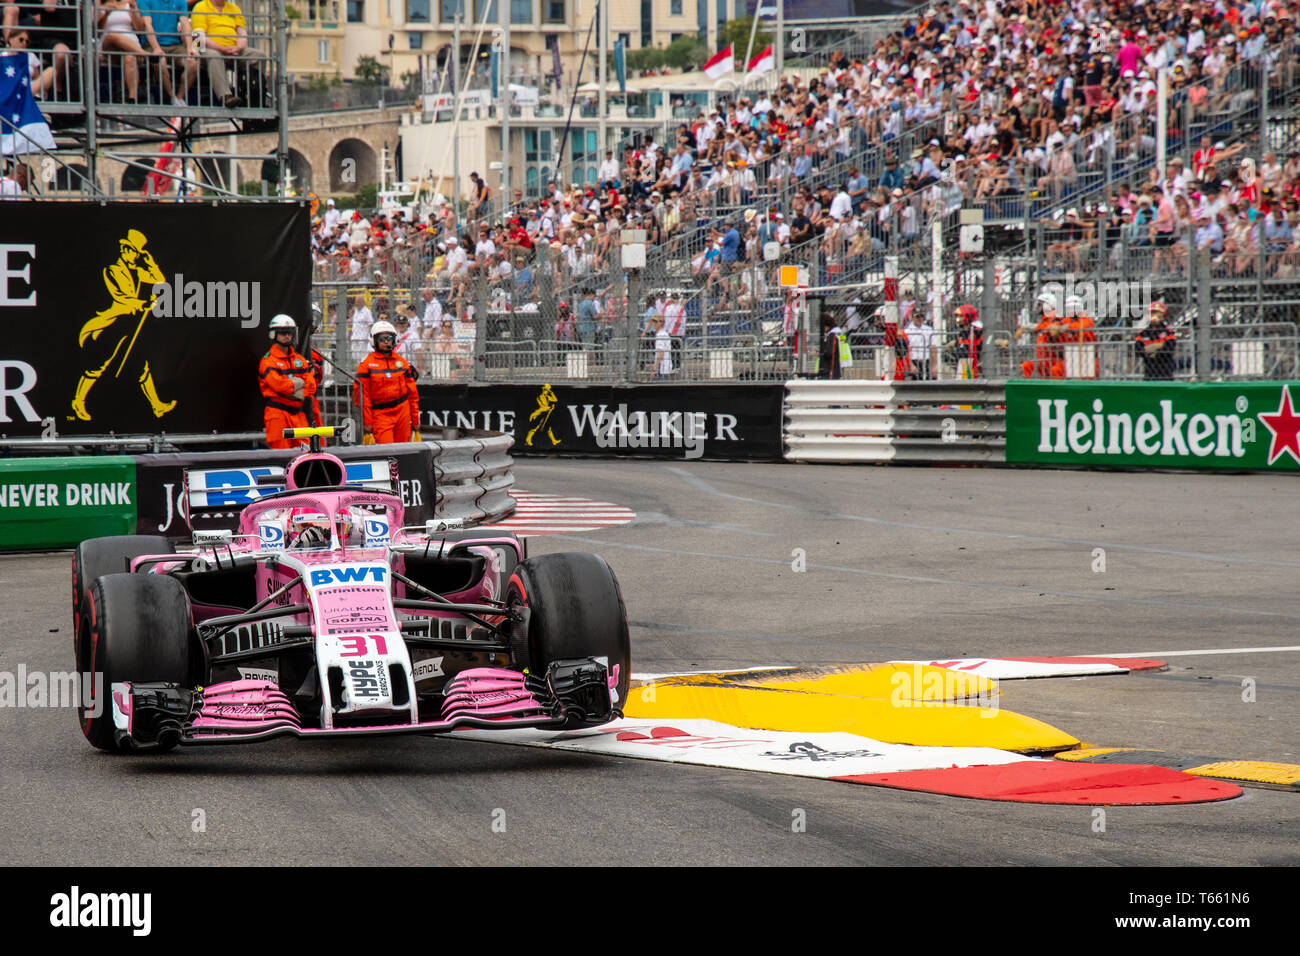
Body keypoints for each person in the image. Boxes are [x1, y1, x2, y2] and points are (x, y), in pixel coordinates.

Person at [72, 228, 174, 422]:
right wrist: (143, 304)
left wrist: (150, 262)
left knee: (142, 365)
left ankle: (157, 405)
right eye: (127, 249)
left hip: (130, 326)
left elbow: (160, 280)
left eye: (133, 251)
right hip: (113, 323)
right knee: (99, 365)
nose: (130, 254)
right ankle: (78, 401)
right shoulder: (112, 270)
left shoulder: (138, 271)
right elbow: (122, 299)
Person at [188, 0, 268, 108]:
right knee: (213, 56)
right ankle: (226, 96)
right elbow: (199, 37)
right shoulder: (200, 7)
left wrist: (238, 47)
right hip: (210, 48)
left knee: (259, 55)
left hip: (233, 49)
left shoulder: (234, 9)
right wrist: (222, 48)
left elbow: (242, 32)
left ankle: (255, 94)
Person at [352, 319, 420, 444]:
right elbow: (363, 397)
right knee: (386, 450)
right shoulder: (366, 365)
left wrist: (415, 419)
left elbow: (413, 393)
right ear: (374, 341)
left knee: (404, 450)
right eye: (382, 339)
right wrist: (367, 422)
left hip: (402, 411)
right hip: (380, 413)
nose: (386, 342)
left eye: (389, 338)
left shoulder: (402, 363)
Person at [259, 314, 316, 449]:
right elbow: (278, 386)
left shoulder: (300, 360)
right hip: (277, 416)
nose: (287, 336)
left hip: (298, 415)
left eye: (290, 333)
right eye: (283, 333)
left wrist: (291, 387)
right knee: (281, 457)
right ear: (274, 334)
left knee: (305, 454)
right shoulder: (268, 361)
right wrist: (298, 383)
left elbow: (311, 387)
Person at [1135, 301, 1176, 380]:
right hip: (1149, 371)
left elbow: (1169, 350)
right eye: (1152, 313)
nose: (1154, 316)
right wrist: (1158, 346)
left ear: (1163, 316)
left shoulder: (1168, 332)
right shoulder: (1143, 333)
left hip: (1165, 371)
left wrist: (1150, 351)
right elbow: (1138, 350)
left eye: (1158, 314)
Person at [952, 304, 984, 378]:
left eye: (960, 316)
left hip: (969, 365)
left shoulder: (976, 332)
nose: (958, 319)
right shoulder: (962, 333)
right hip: (960, 364)